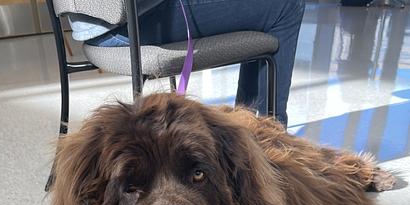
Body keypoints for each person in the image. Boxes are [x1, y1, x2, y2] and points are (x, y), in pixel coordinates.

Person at [69, 0, 305, 126]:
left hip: (95, 22)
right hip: (127, 18)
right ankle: (272, 139)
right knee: (288, 4)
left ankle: (249, 128)